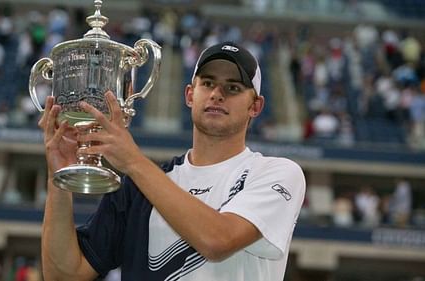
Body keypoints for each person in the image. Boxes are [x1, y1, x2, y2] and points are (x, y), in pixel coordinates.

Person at [39, 41, 306, 280]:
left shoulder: (277, 173)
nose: (217, 94)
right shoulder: (139, 186)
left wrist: (133, 161)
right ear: (190, 95)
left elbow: (217, 240)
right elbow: (64, 274)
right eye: (208, 83)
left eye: (233, 88)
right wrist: (58, 177)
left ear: (255, 107)